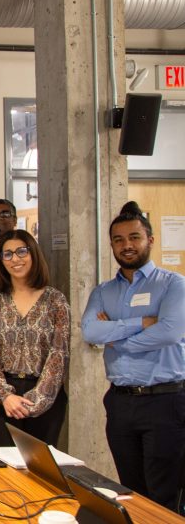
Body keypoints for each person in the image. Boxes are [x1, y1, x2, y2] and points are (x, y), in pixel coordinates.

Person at [81, 202, 185, 511]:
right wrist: (139, 324)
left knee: (164, 493)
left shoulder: (173, 285)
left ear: (150, 240)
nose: (127, 245)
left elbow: (168, 333)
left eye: (134, 237)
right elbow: (90, 332)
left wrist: (116, 338)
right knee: (131, 492)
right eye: (119, 239)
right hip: (121, 401)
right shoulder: (103, 291)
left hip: (165, 402)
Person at [0, 230, 70, 447]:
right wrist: (5, 395)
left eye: (22, 252)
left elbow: (58, 354)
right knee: (4, 469)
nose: (15, 259)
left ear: (33, 254)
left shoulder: (55, 300)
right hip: (2, 397)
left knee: (40, 471)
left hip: (46, 395)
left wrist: (37, 400)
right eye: (8, 254)